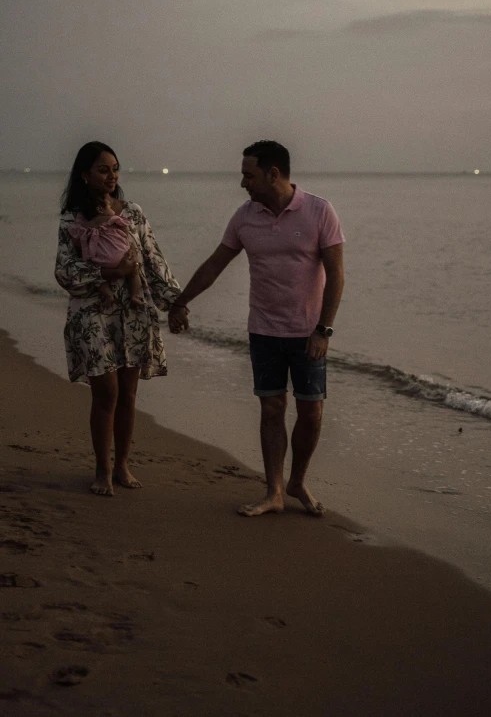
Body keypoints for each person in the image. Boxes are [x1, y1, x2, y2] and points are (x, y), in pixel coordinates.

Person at [169, 140, 344, 517]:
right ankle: (274, 491)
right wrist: (180, 301)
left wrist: (323, 330)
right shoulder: (245, 216)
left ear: (273, 174)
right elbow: (215, 264)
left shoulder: (319, 211)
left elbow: (337, 275)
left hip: (308, 332)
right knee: (271, 409)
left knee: (311, 412)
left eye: (249, 175)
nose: (243, 183)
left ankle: (297, 481)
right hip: (264, 330)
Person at [55, 141, 184, 496]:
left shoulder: (134, 213)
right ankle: (102, 470)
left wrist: (176, 303)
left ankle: (123, 466)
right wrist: (111, 273)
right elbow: (64, 271)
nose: (111, 176)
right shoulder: (72, 219)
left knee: (128, 394)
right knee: (106, 394)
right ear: (84, 175)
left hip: (134, 312)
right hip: (93, 311)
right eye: (102, 169)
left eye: (114, 169)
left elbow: (155, 263)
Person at [68, 190, 143, 310]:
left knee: (98, 280)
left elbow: (77, 242)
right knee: (134, 272)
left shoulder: (86, 226)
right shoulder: (113, 219)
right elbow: (124, 230)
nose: (112, 209)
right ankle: (134, 295)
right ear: (100, 209)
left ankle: (108, 295)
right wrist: (128, 246)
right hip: (120, 257)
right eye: (109, 206)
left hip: (101, 261)